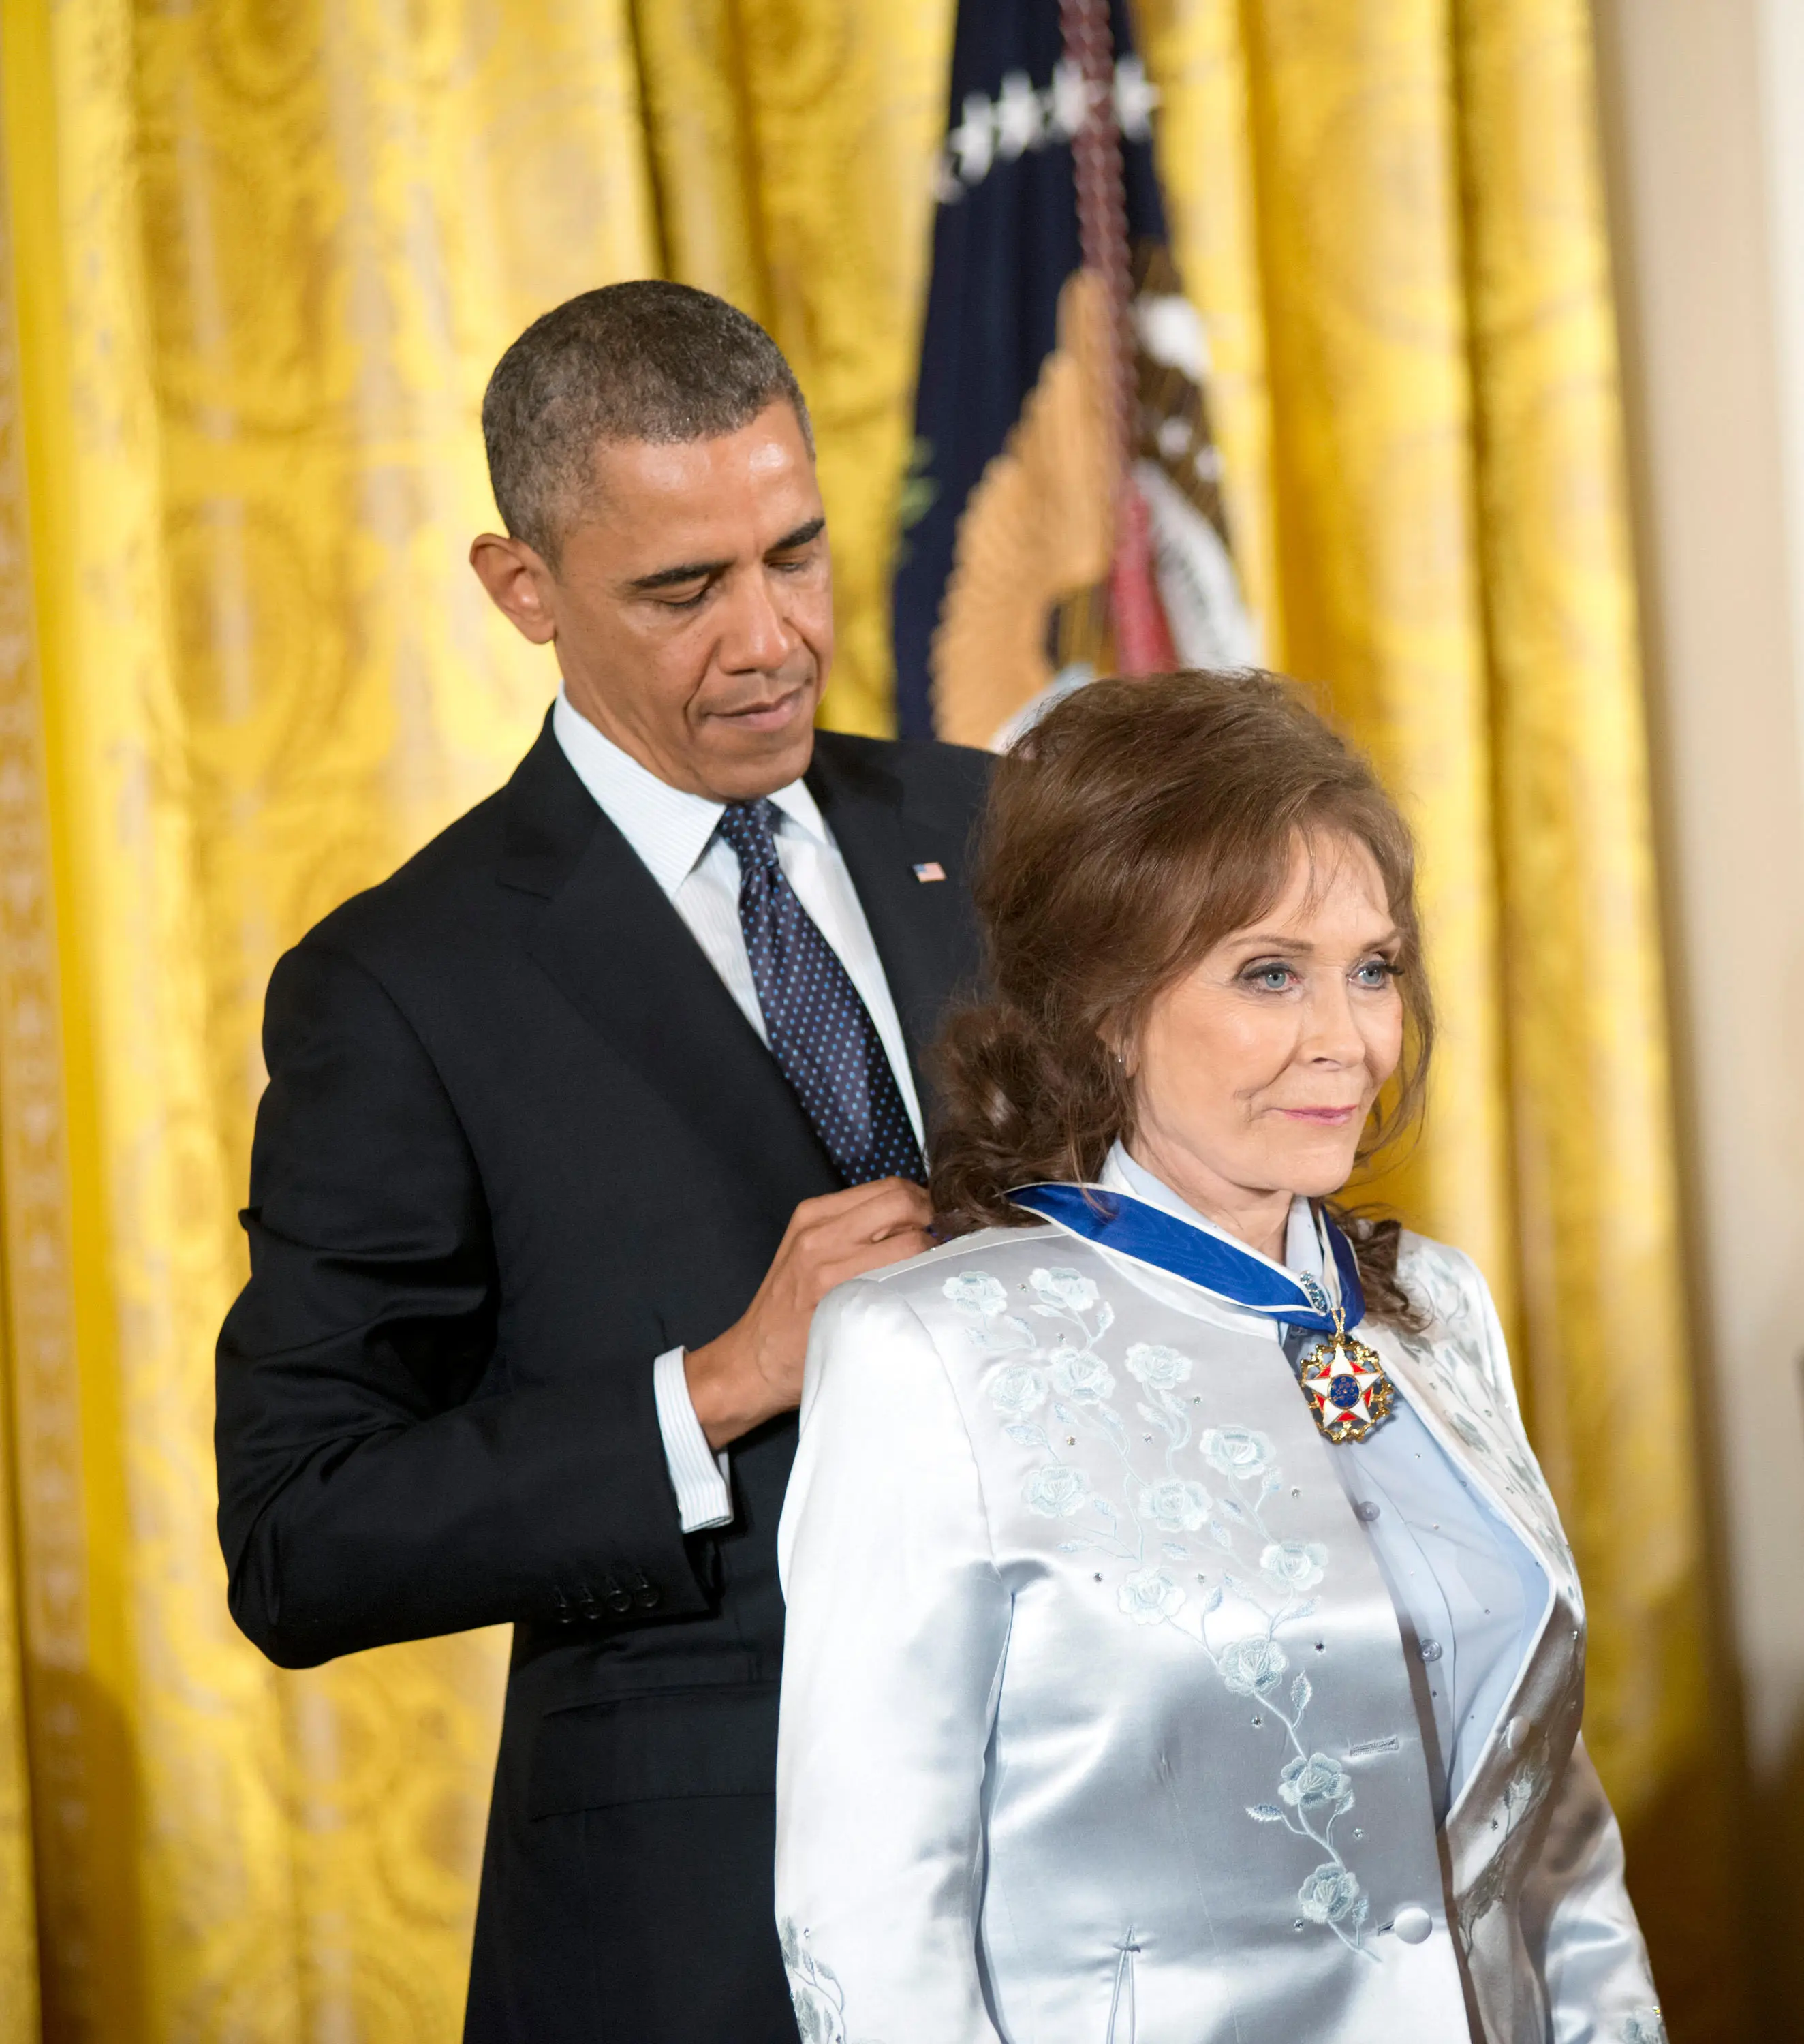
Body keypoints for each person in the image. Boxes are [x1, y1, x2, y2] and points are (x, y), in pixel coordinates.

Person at [214, 281, 990, 2043]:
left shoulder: (1002, 832)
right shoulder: (401, 985)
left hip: (1100, 1863)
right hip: (706, 1926)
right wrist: (714, 1388)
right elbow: (301, 1537)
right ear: (523, 589)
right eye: (683, 589)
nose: (771, 636)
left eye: (795, 553)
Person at [774, 670, 1664, 2044]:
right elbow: (870, 1918)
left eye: (1372, 968)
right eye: (1269, 974)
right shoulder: (924, 1353)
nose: (1347, 1040)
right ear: (1107, 1011)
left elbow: (1550, 1829)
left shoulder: (1433, 1303)